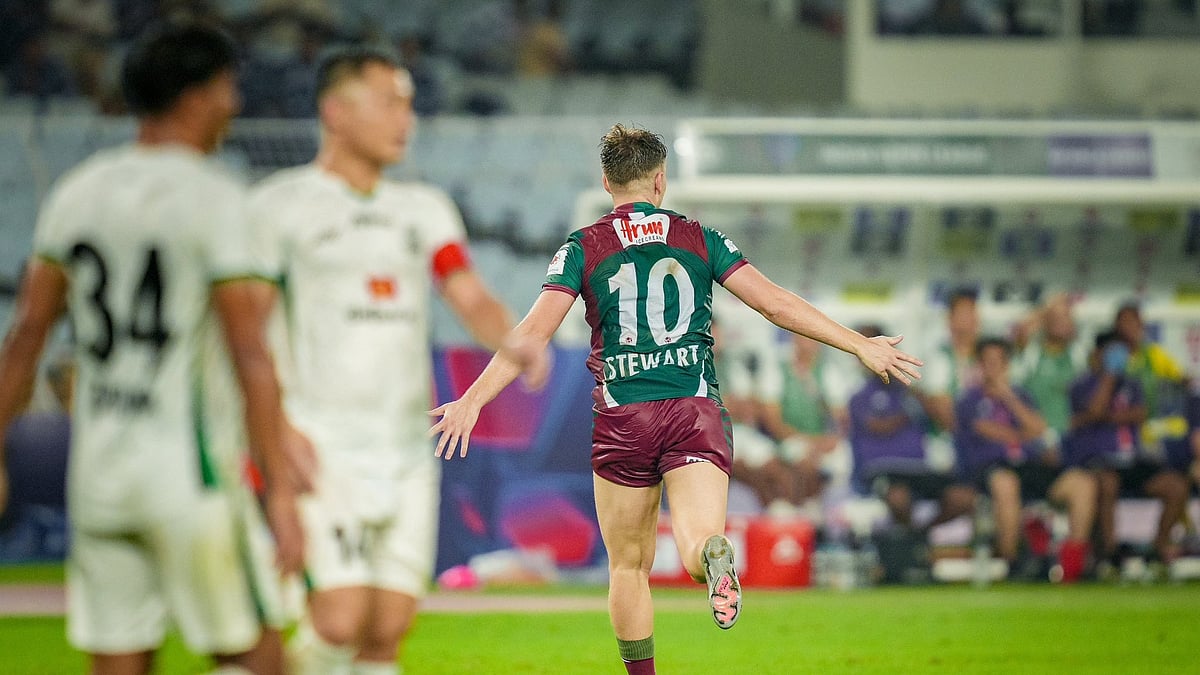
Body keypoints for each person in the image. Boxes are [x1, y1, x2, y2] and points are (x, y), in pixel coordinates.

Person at [430, 124, 923, 675]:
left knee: (628, 566)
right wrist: (859, 344)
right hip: (693, 410)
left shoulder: (583, 247)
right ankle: (712, 558)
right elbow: (776, 304)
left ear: (606, 181)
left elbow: (532, 332)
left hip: (623, 415)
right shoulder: (699, 237)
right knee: (699, 538)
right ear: (660, 180)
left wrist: (473, 399)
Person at [0, 22, 303, 675]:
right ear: (196, 96)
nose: (235, 103)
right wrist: (279, 490)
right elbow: (251, 352)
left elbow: (26, 335)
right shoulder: (215, 197)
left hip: (101, 474)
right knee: (261, 656)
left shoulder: (77, 191)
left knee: (119, 658)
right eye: (227, 87)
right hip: (188, 474)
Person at [246, 46, 518, 675]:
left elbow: (469, 295)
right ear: (334, 112)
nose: (406, 118)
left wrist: (518, 338)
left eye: (410, 103)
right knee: (338, 620)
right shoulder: (279, 207)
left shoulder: (423, 210)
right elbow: (249, 335)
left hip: (404, 449)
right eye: (389, 101)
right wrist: (275, 429)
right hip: (321, 443)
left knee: (387, 629)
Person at [954, 337, 1095, 582]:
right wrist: (1023, 435)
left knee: (1082, 483)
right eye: (987, 362)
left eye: (998, 362)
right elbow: (989, 430)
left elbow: (1039, 427)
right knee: (1005, 483)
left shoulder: (1021, 396)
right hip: (991, 468)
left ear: (1007, 364)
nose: (993, 368)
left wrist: (1007, 395)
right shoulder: (969, 400)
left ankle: (1073, 566)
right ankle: (1014, 561)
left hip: (1029, 464)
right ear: (978, 365)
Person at [1065, 331, 1190, 574]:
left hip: (1131, 459)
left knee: (1176, 486)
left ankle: (1157, 549)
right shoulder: (1082, 384)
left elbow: (1139, 413)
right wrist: (1109, 377)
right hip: (1098, 460)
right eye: (1112, 353)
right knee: (1107, 483)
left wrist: (1102, 418)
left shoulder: (1132, 384)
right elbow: (1095, 409)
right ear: (1097, 354)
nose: (1119, 359)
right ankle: (1110, 555)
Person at [847, 325, 968, 535]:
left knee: (963, 496)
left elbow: (941, 419)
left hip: (919, 469)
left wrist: (912, 389)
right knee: (898, 497)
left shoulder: (909, 391)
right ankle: (912, 541)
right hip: (883, 470)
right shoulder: (859, 396)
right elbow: (878, 426)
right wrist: (908, 413)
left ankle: (919, 534)